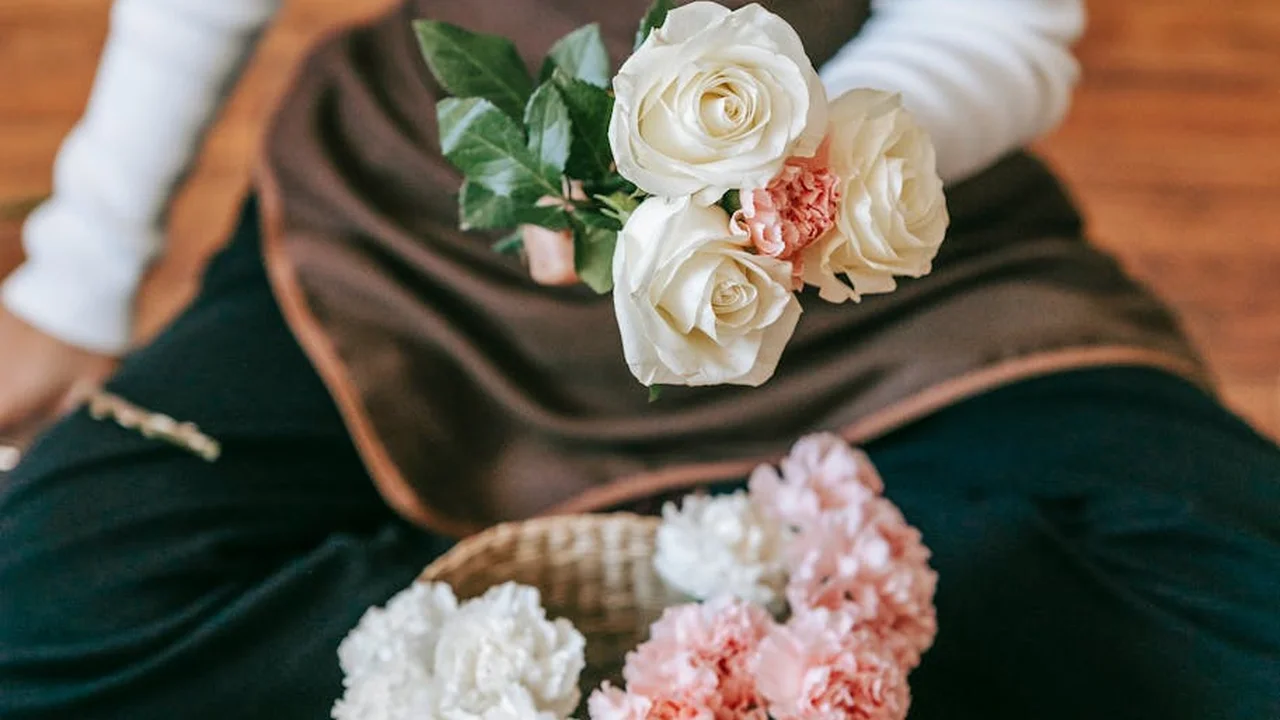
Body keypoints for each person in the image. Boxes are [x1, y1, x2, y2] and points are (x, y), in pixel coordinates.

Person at [0, 0, 1276, 718]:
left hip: (880, 275)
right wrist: (79, 274)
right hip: (404, 245)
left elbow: (1001, 28)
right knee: (38, 622)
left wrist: (769, 186)